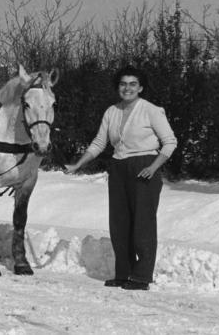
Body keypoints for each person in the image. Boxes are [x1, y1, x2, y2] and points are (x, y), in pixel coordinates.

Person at [65, 66, 177, 291]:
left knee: (142, 224)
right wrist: (78, 163)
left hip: (144, 166)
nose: (127, 88)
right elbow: (99, 142)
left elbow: (170, 142)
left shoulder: (151, 110)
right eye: (123, 84)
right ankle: (123, 273)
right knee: (119, 223)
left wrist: (153, 167)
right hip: (118, 168)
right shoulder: (111, 111)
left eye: (132, 84)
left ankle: (142, 276)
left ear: (141, 87)